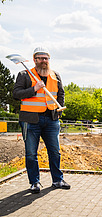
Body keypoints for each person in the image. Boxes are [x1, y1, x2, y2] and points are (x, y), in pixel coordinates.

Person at [13, 47, 70, 193]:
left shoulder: (55, 75)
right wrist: (34, 89)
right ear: (34, 59)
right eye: (41, 58)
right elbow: (16, 94)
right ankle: (34, 182)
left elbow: (61, 94)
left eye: (46, 58)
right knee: (31, 153)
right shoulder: (24, 74)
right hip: (30, 120)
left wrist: (58, 113)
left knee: (55, 152)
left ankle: (57, 180)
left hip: (51, 119)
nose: (44, 61)